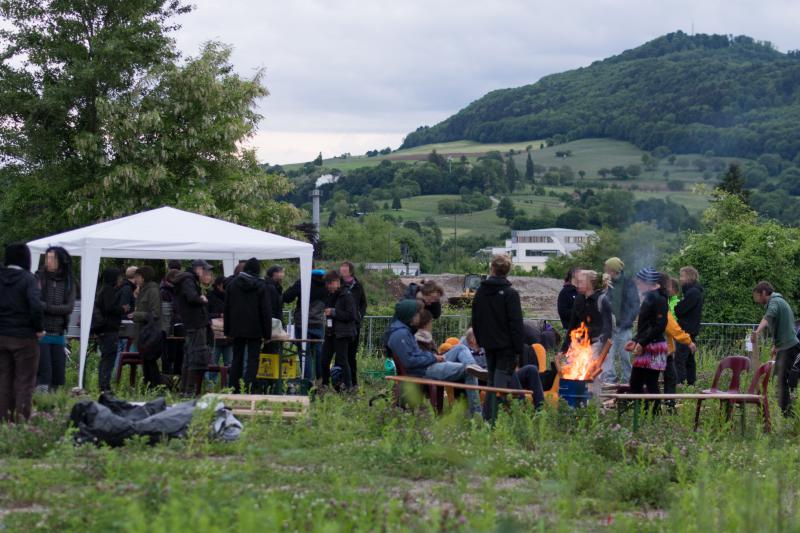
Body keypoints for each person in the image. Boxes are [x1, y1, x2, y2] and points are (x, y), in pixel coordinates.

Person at [386, 300, 484, 416]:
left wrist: (433, 357)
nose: (419, 316)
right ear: (409, 315)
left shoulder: (404, 331)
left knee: (460, 348)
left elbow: (415, 355)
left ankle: (475, 367)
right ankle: (476, 413)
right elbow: (410, 362)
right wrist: (433, 358)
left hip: (428, 363)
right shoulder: (400, 335)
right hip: (425, 369)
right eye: (417, 314)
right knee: (469, 371)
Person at [472, 255, 525, 418]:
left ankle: (489, 419)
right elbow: (516, 324)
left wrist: (480, 341)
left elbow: (475, 319)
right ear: (507, 271)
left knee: (491, 382)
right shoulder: (510, 294)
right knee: (500, 384)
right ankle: (495, 420)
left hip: (488, 345)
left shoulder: (481, 292)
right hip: (506, 347)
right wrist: (519, 350)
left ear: (492, 268)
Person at [0, 244, 44, 422]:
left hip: (1, 335)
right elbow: (35, 306)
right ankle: (21, 421)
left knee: (3, 379)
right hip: (24, 337)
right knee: (24, 380)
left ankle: (3, 421)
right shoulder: (28, 279)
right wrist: (38, 328)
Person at [751, 281, 800, 416]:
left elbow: (769, 316)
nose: (756, 299)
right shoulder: (779, 301)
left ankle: (787, 415)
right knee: (781, 380)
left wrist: (757, 331)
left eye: (757, 296)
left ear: (764, 293)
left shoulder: (774, 302)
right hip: (787, 346)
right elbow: (781, 326)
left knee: (780, 380)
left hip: (788, 347)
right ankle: (788, 412)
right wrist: (775, 345)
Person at [624, 267, 669, 411]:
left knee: (651, 383)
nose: (638, 285)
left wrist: (642, 342)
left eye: (639, 282)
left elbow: (660, 325)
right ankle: (641, 414)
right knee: (635, 383)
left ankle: (654, 415)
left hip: (654, 346)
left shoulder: (659, 299)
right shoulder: (650, 297)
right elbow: (645, 325)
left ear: (648, 282)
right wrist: (636, 339)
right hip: (646, 344)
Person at [225, 258, 271, 393]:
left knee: (236, 359)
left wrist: (227, 330)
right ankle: (248, 388)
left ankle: (233, 388)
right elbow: (265, 311)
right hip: (255, 329)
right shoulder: (261, 286)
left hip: (236, 328)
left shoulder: (232, 285)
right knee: (253, 359)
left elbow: (226, 309)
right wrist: (267, 333)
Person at [35, 246, 76, 393]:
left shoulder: (68, 281)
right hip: (42, 332)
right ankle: (40, 406)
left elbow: (69, 307)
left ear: (61, 260)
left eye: (52, 258)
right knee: (44, 373)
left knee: (58, 374)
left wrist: (48, 308)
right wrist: (54, 308)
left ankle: (53, 404)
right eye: (47, 258)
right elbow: (36, 303)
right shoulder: (39, 277)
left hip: (59, 332)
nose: (49, 261)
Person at [174, 260, 213, 394]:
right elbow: (191, 298)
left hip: (192, 323)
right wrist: (202, 299)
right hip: (195, 323)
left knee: (190, 356)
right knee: (195, 356)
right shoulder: (189, 280)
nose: (206, 273)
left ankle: (184, 389)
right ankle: (189, 390)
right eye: (205, 270)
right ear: (198, 269)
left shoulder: (187, 279)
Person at [602, 257, 640, 385]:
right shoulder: (606, 283)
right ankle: (609, 380)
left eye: (607, 268)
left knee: (625, 356)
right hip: (609, 327)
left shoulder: (628, 283)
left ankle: (627, 380)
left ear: (613, 270)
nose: (605, 271)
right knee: (608, 355)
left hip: (625, 326)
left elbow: (635, 304)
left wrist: (628, 320)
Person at [284, 269, 327, 380]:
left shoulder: (303, 283)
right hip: (318, 323)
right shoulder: (326, 286)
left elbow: (287, 297)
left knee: (305, 354)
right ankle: (321, 380)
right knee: (319, 354)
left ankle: (307, 382)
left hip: (302, 324)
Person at [661, 274, 696, 398]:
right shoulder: (663, 302)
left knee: (679, 361)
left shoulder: (673, 301)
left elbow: (673, 323)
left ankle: (682, 383)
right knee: (671, 371)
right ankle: (668, 401)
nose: (668, 289)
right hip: (666, 342)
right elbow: (671, 325)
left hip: (668, 339)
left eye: (670, 287)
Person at [321, 271, 357, 391]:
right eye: (326, 285)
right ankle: (325, 384)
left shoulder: (347, 295)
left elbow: (351, 315)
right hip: (330, 332)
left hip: (342, 333)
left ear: (336, 282)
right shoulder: (330, 295)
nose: (327, 287)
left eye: (329, 284)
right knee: (324, 359)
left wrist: (334, 312)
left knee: (342, 360)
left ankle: (348, 386)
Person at [94, 268, 128, 392]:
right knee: (109, 358)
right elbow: (109, 308)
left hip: (104, 329)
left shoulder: (103, 289)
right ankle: (105, 385)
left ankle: (103, 384)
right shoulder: (108, 290)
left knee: (106, 357)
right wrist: (122, 309)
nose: (120, 280)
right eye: (119, 277)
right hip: (109, 329)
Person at [129, 266, 162, 388]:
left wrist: (137, 315)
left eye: (137, 277)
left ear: (143, 277)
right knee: (145, 361)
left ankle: (154, 386)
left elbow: (155, 313)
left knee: (150, 361)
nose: (135, 279)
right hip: (142, 333)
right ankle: (148, 385)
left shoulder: (152, 290)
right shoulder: (142, 290)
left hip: (150, 333)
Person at [674, 266, 704, 387]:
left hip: (687, 329)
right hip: (691, 328)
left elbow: (680, 310)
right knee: (689, 359)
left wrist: (677, 306)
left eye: (682, 276)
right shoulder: (694, 292)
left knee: (680, 358)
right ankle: (691, 383)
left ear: (688, 277)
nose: (680, 279)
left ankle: (680, 383)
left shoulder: (692, 293)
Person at [340, 261, 367, 388]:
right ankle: (341, 381)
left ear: (351, 271)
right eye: (341, 269)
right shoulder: (338, 284)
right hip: (341, 325)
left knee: (352, 354)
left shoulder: (358, 286)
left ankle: (354, 382)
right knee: (341, 354)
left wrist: (360, 316)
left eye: (345, 270)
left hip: (355, 325)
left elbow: (363, 303)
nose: (342, 272)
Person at [206, 276, 232, 382]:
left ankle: (229, 386)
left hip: (228, 337)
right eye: (223, 285)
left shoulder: (230, 296)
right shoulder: (210, 296)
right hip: (215, 336)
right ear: (218, 285)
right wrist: (219, 315)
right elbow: (206, 314)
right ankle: (211, 385)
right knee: (212, 363)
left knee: (229, 364)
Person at [263, 265, 285, 355]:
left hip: (274, 323)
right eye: (281, 272)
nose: (283, 274)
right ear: (274, 274)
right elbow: (271, 308)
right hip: (273, 325)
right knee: (272, 351)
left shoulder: (275, 287)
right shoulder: (270, 287)